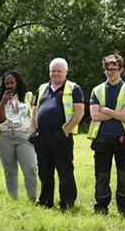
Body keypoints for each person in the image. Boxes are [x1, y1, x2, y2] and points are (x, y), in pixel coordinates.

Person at [30, 58, 85, 209]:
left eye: (59, 71)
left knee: (64, 171)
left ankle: (67, 203)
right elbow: (34, 111)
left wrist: (65, 131)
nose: (55, 74)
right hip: (42, 136)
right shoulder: (42, 88)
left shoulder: (73, 88)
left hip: (61, 136)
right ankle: (45, 202)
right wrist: (34, 130)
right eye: (53, 71)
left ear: (66, 72)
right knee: (44, 172)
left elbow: (79, 112)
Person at [88, 54, 125, 215]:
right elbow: (95, 116)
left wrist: (107, 110)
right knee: (102, 176)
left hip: (123, 139)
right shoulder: (97, 90)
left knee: (124, 176)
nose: (110, 73)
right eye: (107, 69)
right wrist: (119, 112)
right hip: (102, 139)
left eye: (114, 69)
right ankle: (101, 208)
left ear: (121, 70)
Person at [0, 70, 38, 200]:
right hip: (5, 137)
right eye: (6, 83)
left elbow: (35, 115)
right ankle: (14, 199)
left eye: (12, 82)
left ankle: (33, 198)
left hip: (25, 136)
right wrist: (3, 101)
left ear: (17, 83)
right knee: (10, 170)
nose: (9, 85)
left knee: (30, 168)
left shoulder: (29, 96)